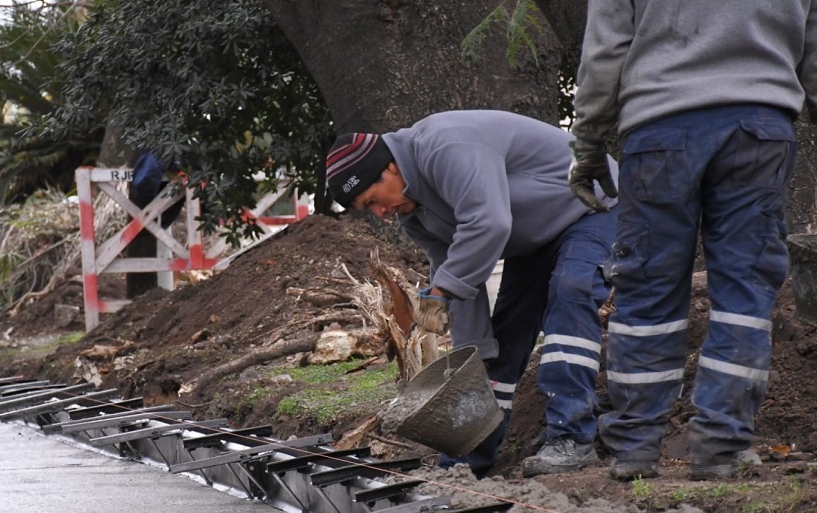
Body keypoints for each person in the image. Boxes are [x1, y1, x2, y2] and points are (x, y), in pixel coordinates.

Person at [568, 0, 817, 481]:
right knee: (745, 290)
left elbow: (604, 50)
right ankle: (721, 445)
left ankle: (636, 446)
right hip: (760, 127)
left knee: (647, 286)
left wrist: (589, 142)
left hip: (660, 126)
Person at [325, 110, 618, 478]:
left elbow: (489, 223)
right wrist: (472, 355)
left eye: (372, 201)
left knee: (570, 292)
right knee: (501, 343)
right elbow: (459, 274)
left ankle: (572, 438)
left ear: (390, 169)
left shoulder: (445, 145)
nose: (381, 213)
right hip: (535, 240)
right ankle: (468, 460)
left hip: (590, 205)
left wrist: (442, 290)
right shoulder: (414, 215)